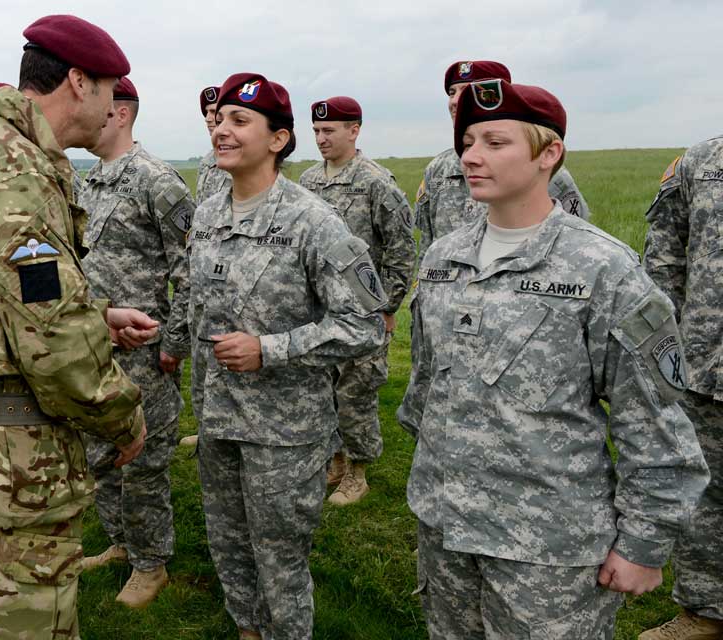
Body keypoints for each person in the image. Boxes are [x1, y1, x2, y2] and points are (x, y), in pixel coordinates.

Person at [397, 79, 709, 639]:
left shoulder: (603, 270)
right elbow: (425, 386)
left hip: (548, 545)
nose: (471, 156)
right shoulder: (445, 258)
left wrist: (644, 541)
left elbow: (656, 420)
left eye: (495, 142)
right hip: (445, 527)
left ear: (549, 154)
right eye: (467, 141)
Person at [0, 16, 155, 638]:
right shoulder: (15, 167)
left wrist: (96, 313)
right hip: (9, 466)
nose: (114, 108)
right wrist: (121, 414)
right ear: (77, 82)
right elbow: (53, 336)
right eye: (109, 90)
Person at [189, 72, 385, 640]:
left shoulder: (316, 223)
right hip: (218, 418)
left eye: (239, 121)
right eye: (220, 120)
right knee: (228, 544)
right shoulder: (207, 214)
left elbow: (365, 325)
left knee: (280, 558)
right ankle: (248, 629)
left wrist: (270, 349)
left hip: (285, 429)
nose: (222, 131)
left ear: (278, 139)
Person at [76, 76, 195, 607]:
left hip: (145, 355)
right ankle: (121, 545)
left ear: (119, 113)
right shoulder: (90, 182)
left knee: (143, 464)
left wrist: (174, 343)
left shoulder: (157, 181)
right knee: (100, 454)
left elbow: (192, 271)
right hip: (95, 349)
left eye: (94, 107)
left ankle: (152, 564)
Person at [299, 96, 415, 505]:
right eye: (315, 131)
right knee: (325, 387)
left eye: (329, 130)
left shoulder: (375, 182)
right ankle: (334, 459)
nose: (321, 138)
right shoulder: (309, 182)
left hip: (364, 309)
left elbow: (401, 249)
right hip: (322, 309)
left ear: (354, 130)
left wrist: (387, 307)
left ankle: (358, 471)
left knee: (356, 391)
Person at [638, 139, 723, 639]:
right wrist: (667, 344)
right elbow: (665, 257)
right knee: (704, 494)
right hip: (706, 365)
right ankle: (706, 611)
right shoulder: (702, 162)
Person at [414, 60, 589, 256]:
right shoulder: (438, 169)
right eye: (452, 92)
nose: (455, 101)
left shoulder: (543, 171)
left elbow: (575, 240)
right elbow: (427, 241)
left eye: (466, 91)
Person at [181, 85, 230, 449]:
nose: (212, 122)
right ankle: (208, 428)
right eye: (208, 117)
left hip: (235, 264)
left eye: (219, 114)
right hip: (206, 266)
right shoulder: (205, 163)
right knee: (204, 353)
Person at [195, 84, 231, 204]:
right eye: (207, 112)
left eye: (213, 112)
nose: (208, 118)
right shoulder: (206, 163)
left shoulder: (244, 159)